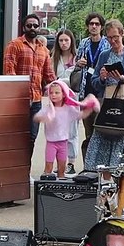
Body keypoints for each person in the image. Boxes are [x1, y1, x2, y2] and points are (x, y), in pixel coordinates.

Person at [83, 19, 124, 172]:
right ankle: (103, 178)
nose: (113, 41)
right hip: (108, 105)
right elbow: (95, 82)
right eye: (109, 38)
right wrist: (102, 77)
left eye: (115, 37)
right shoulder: (104, 55)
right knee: (101, 141)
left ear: (122, 34)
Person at [3, 12, 55, 160]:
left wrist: (60, 90)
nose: (32, 28)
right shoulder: (15, 45)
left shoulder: (43, 50)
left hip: (36, 100)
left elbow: (49, 75)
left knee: (32, 137)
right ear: (24, 27)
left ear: (39, 28)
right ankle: (15, 169)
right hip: (19, 100)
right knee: (17, 137)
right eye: (29, 25)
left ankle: (26, 169)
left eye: (35, 26)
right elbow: (9, 72)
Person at [34, 80, 97, 179]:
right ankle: (46, 185)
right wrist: (44, 118)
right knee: (48, 167)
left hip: (63, 143)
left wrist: (90, 108)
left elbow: (80, 115)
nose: (53, 95)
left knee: (62, 168)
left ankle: (60, 187)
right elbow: (37, 117)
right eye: (51, 93)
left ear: (64, 94)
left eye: (57, 92)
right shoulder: (48, 109)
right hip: (51, 143)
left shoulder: (68, 108)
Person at [75, 13, 109, 161]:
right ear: (88, 26)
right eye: (91, 24)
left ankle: (99, 166)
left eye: (97, 24)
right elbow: (77, 61)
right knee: (88, 133)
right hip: (86, 92)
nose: (94, 26)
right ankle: (87, 165)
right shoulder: (84, 43)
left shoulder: (107, 44)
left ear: (101, 27)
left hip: (101, 94)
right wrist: (79, 63)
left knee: (100, 132)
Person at [51, 28, 81, 173]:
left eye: (66, 40)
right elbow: (50, 78)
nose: (63, 43)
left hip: (72, 99)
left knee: (72, 132)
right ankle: (60, 162)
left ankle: (71, 163)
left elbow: (75, 81)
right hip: (57, 101)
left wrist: (59, 82)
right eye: (61, 40)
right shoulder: (54, 59)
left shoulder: (77, 58)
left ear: (71, 41)